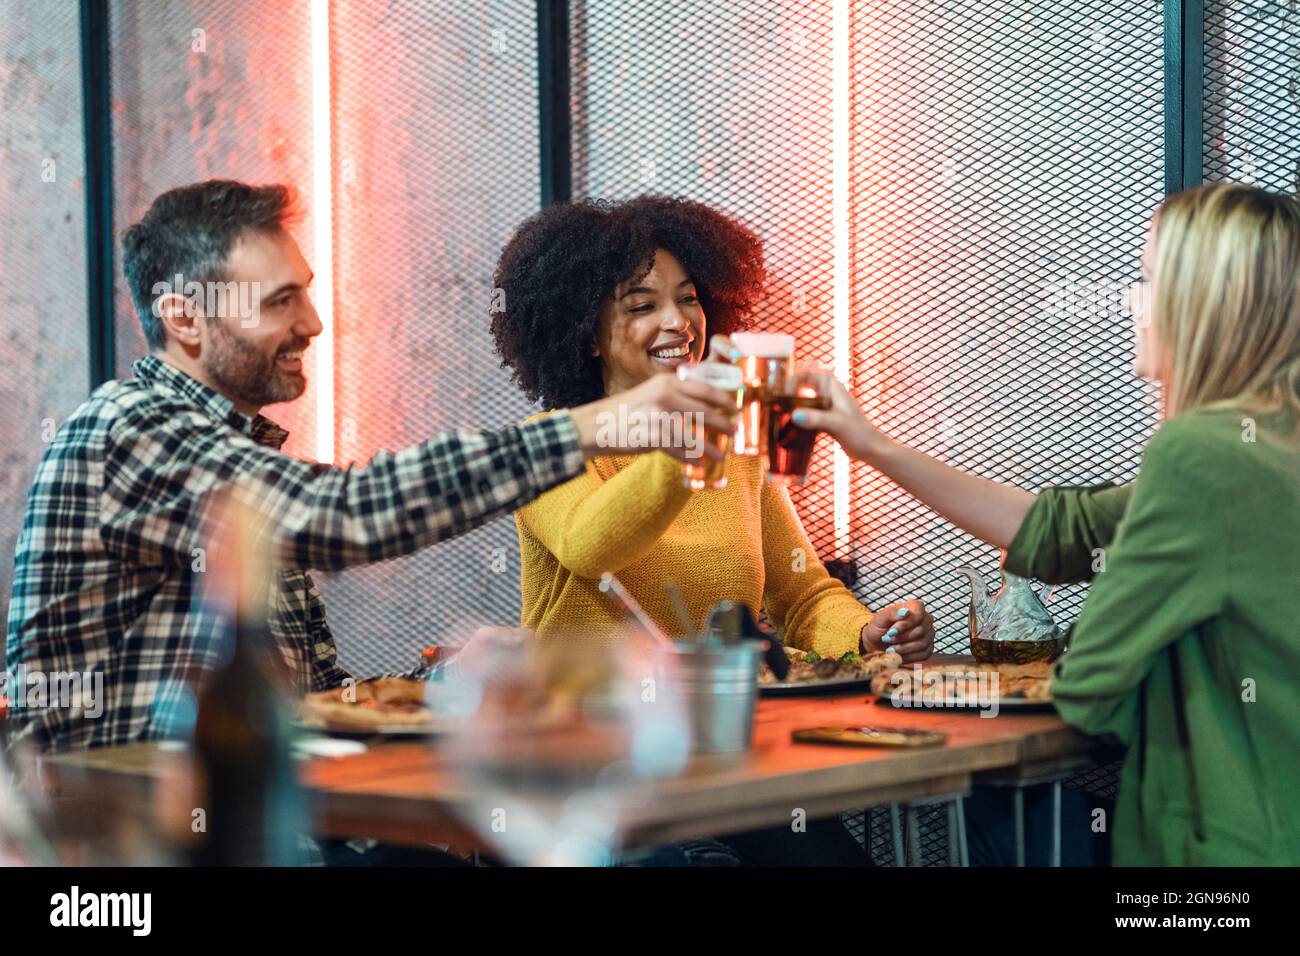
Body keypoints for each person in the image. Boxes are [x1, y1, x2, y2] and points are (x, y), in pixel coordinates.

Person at [4, 180, 738, 754]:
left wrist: (443, 680)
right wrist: (593, 427)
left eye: (307, 292)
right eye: (280, 301)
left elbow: (313, 704)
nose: (313, 323)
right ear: (185, 318)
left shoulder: (231, 457)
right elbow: (349, 513)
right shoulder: (128, 429)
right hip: (128, 840)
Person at [784, 182, 1300, 866]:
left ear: (1206, 306)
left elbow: (1089, 687)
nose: (1128, 302)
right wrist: (870, 443)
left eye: (1147, 281)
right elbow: (1065, 531)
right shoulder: (1265, 444)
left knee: (992, 805)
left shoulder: (1196, 458)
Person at [490, 195, 934, 865]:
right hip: (591, 771)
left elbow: (803, 595)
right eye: (642, 306)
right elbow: (593, 542)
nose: (678, 322)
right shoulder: (546, 445)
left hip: (723, 763)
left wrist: (866, 634)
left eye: (689, 298)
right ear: (585, 331)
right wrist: (689, 445)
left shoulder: (738, 450)